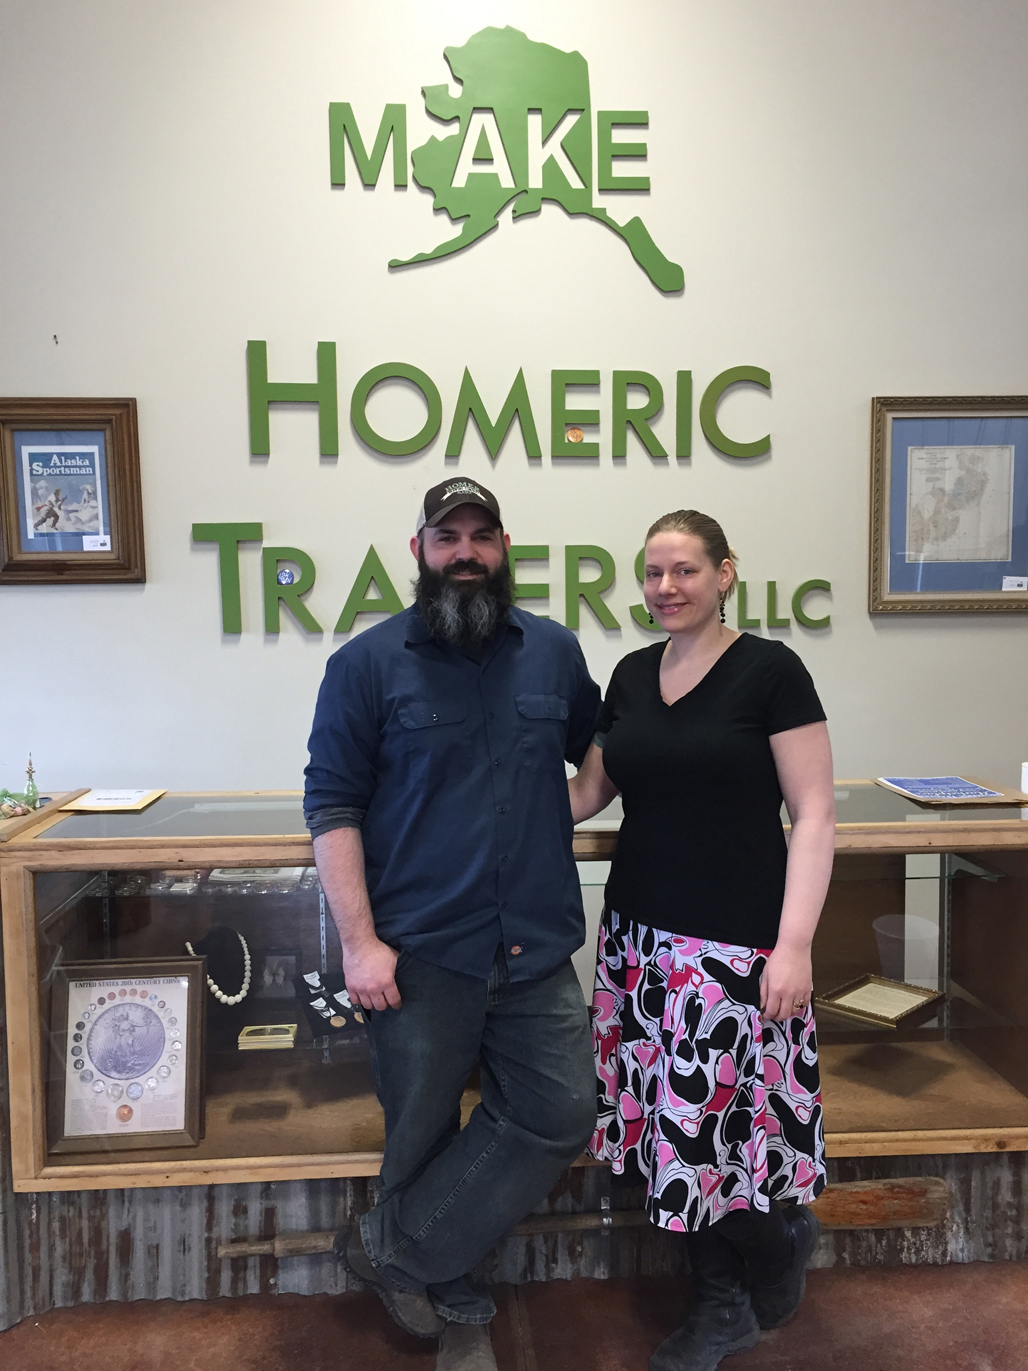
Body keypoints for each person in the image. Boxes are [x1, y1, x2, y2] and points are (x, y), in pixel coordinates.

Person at [304, 479, 600, 1371]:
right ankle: (456, 1296)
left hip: (537, 943)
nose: (464, 551)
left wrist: (568, 808)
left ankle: (390, 1248)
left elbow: (597, 751)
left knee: (560, 1109)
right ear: (419, 547)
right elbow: (332, 806)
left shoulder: (553, 652)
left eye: (481, 535)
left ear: (505, 545)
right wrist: (359, 943)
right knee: (421, 1127)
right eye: (447, 536)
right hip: (421, 950)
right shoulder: (365, 665)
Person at [569, 509, 835, 1371]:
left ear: (725, 573)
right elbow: (589, 793)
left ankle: (775, 1241)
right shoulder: (632, 673)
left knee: (720, 1134)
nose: (665, 588)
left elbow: (816, 813)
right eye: (652, 572)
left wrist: (793, 945)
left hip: (737, 950)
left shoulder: (771, 671)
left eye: (684, 570)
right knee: (670, 1137)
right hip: (640, 946)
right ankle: (722, 1304)